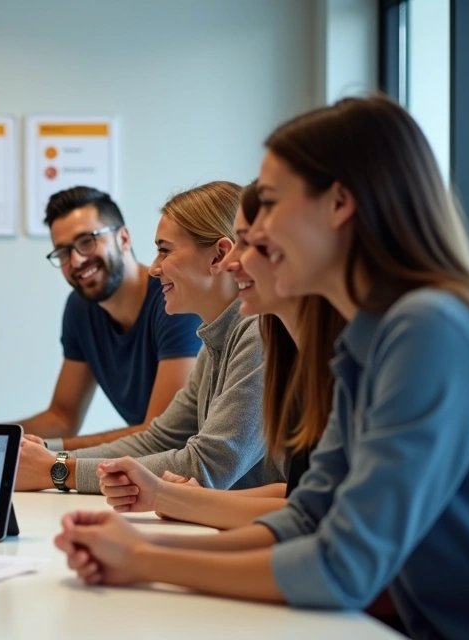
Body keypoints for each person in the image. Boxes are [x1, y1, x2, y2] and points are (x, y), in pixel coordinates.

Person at [54, 96, 469, 640]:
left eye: (268, 205)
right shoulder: (369, 338)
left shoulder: (430, 328)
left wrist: (145, 563)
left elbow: (342, 567)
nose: (252, 241)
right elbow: (308, 515)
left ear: (338, 204)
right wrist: (143, 545)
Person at [99, 182, 346, 529]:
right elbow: (297, 499)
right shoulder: (245, 337)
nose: (232, 261)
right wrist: (168, 498)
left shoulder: (265, 336)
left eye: (250, 243)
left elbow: (307, 518)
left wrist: (57, 469)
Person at [16, 181, 285, 493]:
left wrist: (58, 469)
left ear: (218, 257)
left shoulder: (260, 333)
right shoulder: (215, 341)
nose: (154, 268)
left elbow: (207, 467)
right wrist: (53, 460)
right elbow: (159, 438)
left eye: (164, 250)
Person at [0, 186, 202, 450]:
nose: (75, 261)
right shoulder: (81, 307)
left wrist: (46, 454)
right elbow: (62, 418)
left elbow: (161, 436)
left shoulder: (174, 302)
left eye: (87, 241)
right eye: (63, 252)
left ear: (123, 239)